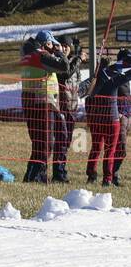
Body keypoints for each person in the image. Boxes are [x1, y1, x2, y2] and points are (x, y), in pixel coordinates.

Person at [19, 30, 68, 183]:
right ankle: (35, 177)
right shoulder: (40, 55)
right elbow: (64, 66)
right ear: (46, 43)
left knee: (39, 142)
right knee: (45, 143)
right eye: (51, 43)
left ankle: (32, 175)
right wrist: (60, 52)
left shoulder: (29, 53)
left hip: (33, 101)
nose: (53, 46)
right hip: (42, 101)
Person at [87, 49, 131, 187]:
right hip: (112, 120)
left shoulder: (93, 84)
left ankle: (91, 176)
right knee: (110, 151)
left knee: (95, 149)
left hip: (96, 120)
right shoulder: (113, 81)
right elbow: (128, 75)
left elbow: (88, 100)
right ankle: (107, 179)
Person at [52, 34, 82, 183]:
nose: (63, 48)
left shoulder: (74, 64)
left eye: (66, 46)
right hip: (60, 107)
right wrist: (78, 58)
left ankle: (62, 168)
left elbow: (78, 84)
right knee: (61, 140)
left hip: (72, 107)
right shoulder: (59, 62)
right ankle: (58, 173)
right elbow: (65, 74)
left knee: (67, 141)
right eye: (61, 45)